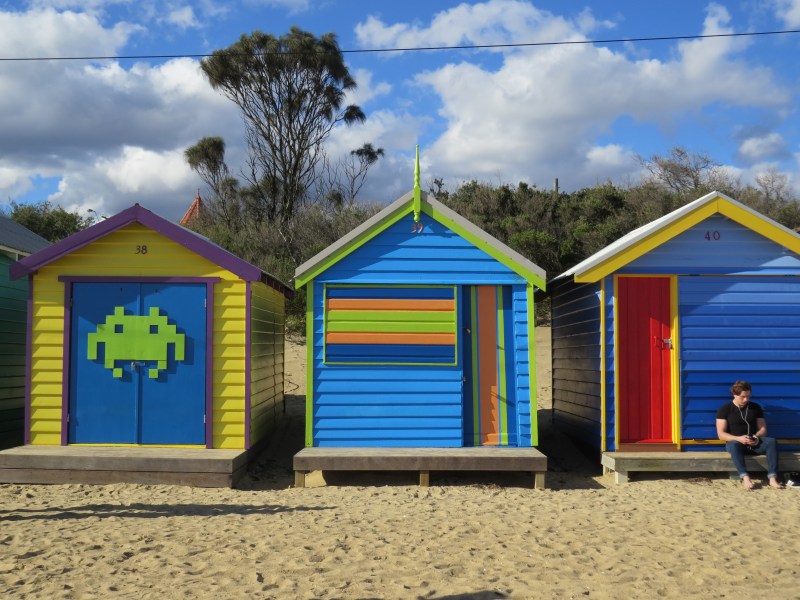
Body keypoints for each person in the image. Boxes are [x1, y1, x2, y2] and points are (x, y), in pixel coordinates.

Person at [716, 380, 783, 490]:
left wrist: (756, 437)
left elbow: (763, 429)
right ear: (734, 394)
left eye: (748, 396)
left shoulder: (755, 407)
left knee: (771, 441)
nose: (746, 399)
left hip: (754, 441)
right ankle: (745, 477)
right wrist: (739, 439)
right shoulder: (724, 409)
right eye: (743, 397)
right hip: (737, 443)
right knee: (732, 445)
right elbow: (721, 434)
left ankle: (772, 478)